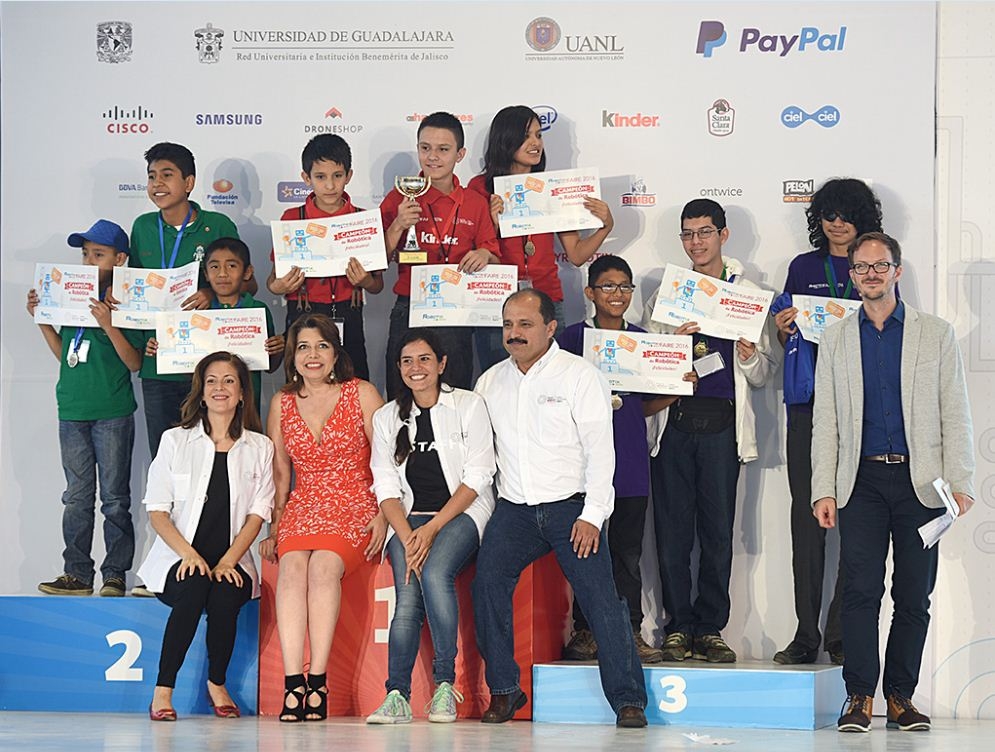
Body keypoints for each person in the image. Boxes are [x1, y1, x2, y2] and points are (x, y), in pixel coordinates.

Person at [812, 232, 975, 733]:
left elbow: (955, 410)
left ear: (897, 271)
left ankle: (900, 698)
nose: (871, 275)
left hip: (921, 484)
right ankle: (859, 696)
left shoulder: (936, 333)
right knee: (860, 592)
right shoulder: (836, 337)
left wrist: (961, 479)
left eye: (880, 266)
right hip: (859, 483)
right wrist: (824, 487)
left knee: (913, 596)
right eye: (861, 268)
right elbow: (827, 419)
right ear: (852, 276)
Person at [473, 289, 649, 729]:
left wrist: (593, 514)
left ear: (550, 328)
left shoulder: (580, 375)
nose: (514, 334)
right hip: (514, 511)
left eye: (525, 324)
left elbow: (600, 450)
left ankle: (628, 700)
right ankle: (504, 690)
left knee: (601, 601)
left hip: (571, 510)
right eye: (508, 325)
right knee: (487, 585)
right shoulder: (490, 381)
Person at [642, 199, 776, 663]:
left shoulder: (748, 294)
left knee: (718, 533)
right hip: (674, 425)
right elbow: (646, 367)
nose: (696, 242)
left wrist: (748, 357)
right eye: (688, 234)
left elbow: (761, 376)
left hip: (723, 428)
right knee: (673, 533)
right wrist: (671, 346)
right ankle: (678, 627)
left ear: (723, 235)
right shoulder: (668, 294)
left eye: (704, 232)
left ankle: (711, 628)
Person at [558, 255, 694, 664]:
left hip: (629, 462)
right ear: (589, 293)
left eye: (624, 287)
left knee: (626, 554)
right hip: (580, 468)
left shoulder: (645, 341)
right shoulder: (570, 340)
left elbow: (643, 406)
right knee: (585, 551)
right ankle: (586, 631)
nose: (617, 295)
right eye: (607, 287)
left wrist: (677, 388)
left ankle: (629, 631)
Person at [771, 179, 883, 666]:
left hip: (860, 409)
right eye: (829, 214)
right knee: (806, 519)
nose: (837, 223)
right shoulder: (803, 267)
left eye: (847, 213)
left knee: (856, 519)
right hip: (808, 406)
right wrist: (781, 329)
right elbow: (786, 342)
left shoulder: (874, 268)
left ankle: (840, 631)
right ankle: (804, 633)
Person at [258, 313, 386, 722]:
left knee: (323, 568)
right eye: (303, 348)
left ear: (335, 353)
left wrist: (385, 513)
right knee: (293, 568)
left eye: (321, 346)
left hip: (355, 501)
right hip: (304, 502)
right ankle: (293, 683)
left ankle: (319, 680)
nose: (312, 356)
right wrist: (276, 523)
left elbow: (387, 458)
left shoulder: (361, 393)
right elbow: (281, 469)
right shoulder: (281, 402)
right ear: (292, 356)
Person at [365, 329, 496, 724]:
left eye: (424, 359)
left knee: (436, 571)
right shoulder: (387, 417)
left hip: (460, 514)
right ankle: (396, 695)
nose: (415, 368)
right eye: (406, 361)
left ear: (441, 364)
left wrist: (432, 529)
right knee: (407, 598)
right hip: (407, 521)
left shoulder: (468, 405)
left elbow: (478, 475)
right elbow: (384, 484)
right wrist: (407, 535)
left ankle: (444, 686)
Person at [138, 351, 275, 721]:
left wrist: (230, 559)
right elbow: (157, 511)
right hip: (179, 559)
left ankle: (217, 681)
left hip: (232, 559)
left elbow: (258, 513)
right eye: (212, 381)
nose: (220, 388)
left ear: (243, 392)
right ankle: (162, 691)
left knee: (227, 593)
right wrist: (189, 554)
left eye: (229, 381)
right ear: (200, 392)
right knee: (197, 584)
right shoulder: (174, 441)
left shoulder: (260, 447)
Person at [29, 220, 145, 597]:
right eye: (85, 254)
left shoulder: (127, 302)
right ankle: (77, 574)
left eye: (98, 254)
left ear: (120, 259)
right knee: (76, 497)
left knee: (114, 499)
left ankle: (114, 573)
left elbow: (134, 363)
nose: (89, 260)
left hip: (112, 411)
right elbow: (67, 354)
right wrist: (43, 320)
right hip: (72, 409)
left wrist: (109, 324)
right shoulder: (71, 298)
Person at [128, 142, 254, 457]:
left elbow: (246, 287)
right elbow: (134, 295)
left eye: (166, 175)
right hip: (158, 363)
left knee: (215, 450)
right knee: (165, 455)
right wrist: (141, 338)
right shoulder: (143, 227)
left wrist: (210, 292)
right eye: (152, 176)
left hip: (207, 362)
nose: (157, 184)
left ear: (188, 183)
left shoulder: (218, 225)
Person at [469, 105, 615, 369]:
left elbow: (577, 255)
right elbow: (478, 252)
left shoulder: (553, 188)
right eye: (526, 136)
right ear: (506, 140)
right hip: (497, 302)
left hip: (547, 300)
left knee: (550, 386)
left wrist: (605, 226)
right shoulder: (480, 188)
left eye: (538, 135)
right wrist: (495, 224)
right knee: (499, 385)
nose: (535, 143)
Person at [379, 111, 500, 398]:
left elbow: (495, 257)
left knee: (454, 395)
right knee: (402, 396)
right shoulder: (400, 195)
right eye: (425, 148)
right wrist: (398, 225)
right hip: (409, 307)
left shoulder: (475, 202)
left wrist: (484, 253)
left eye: (443, 149)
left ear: (460, 154)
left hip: (456, 311)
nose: (432, 157)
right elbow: (375, 262)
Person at [267, 134, 383, 380]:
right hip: (302, 315)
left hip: (348, 314)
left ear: (349, 175)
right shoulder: (292, 219)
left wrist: (365, 281)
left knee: (352, 387)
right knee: (301, 391)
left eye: (337, 176)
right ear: (306, 178)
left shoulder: (362, 220)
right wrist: (280, 286)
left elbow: (376, 286)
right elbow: (272, 283)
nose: (330, 185)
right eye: (320, 177)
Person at [145, 237, 284, 416]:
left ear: (247, 272)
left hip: (246, 409)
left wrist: (278, 348)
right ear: (206, 274)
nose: (222, 274)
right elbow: (188, 367)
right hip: (205, 408)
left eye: (232, 266)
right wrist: (163, 348)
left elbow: (270, 366)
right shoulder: (194, 314)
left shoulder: (257, 310)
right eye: (215, 267)